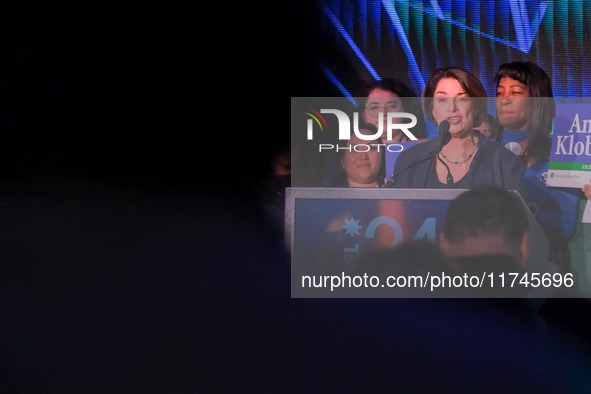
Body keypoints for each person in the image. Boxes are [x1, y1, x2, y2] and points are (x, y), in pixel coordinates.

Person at [389, 66, 527, 198]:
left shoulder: (505, 162)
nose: (452, 107)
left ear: (476, 108)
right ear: (432, 109)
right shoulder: (410, 161)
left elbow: (518, 220)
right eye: (442, 99)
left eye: (462, 98)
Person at [494, 61, 579, 267]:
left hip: (538, 273)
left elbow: (563, 228)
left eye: (515, 92)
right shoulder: (480, 150)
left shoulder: (561, 156)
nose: (504, 100)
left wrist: (525, 210)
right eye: (499, 92)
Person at [359, 78, 427, 143]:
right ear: (363, 115)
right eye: (374, 107)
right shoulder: (350, 151)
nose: (383, 113)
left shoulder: (427, 148)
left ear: (406, 110)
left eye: (392, 106)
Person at [331, 123, 385, 187]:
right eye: (355, 149)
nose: (363, 157)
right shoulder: (326, 195)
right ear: (342, 160)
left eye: (371, 148)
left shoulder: (397, 194)